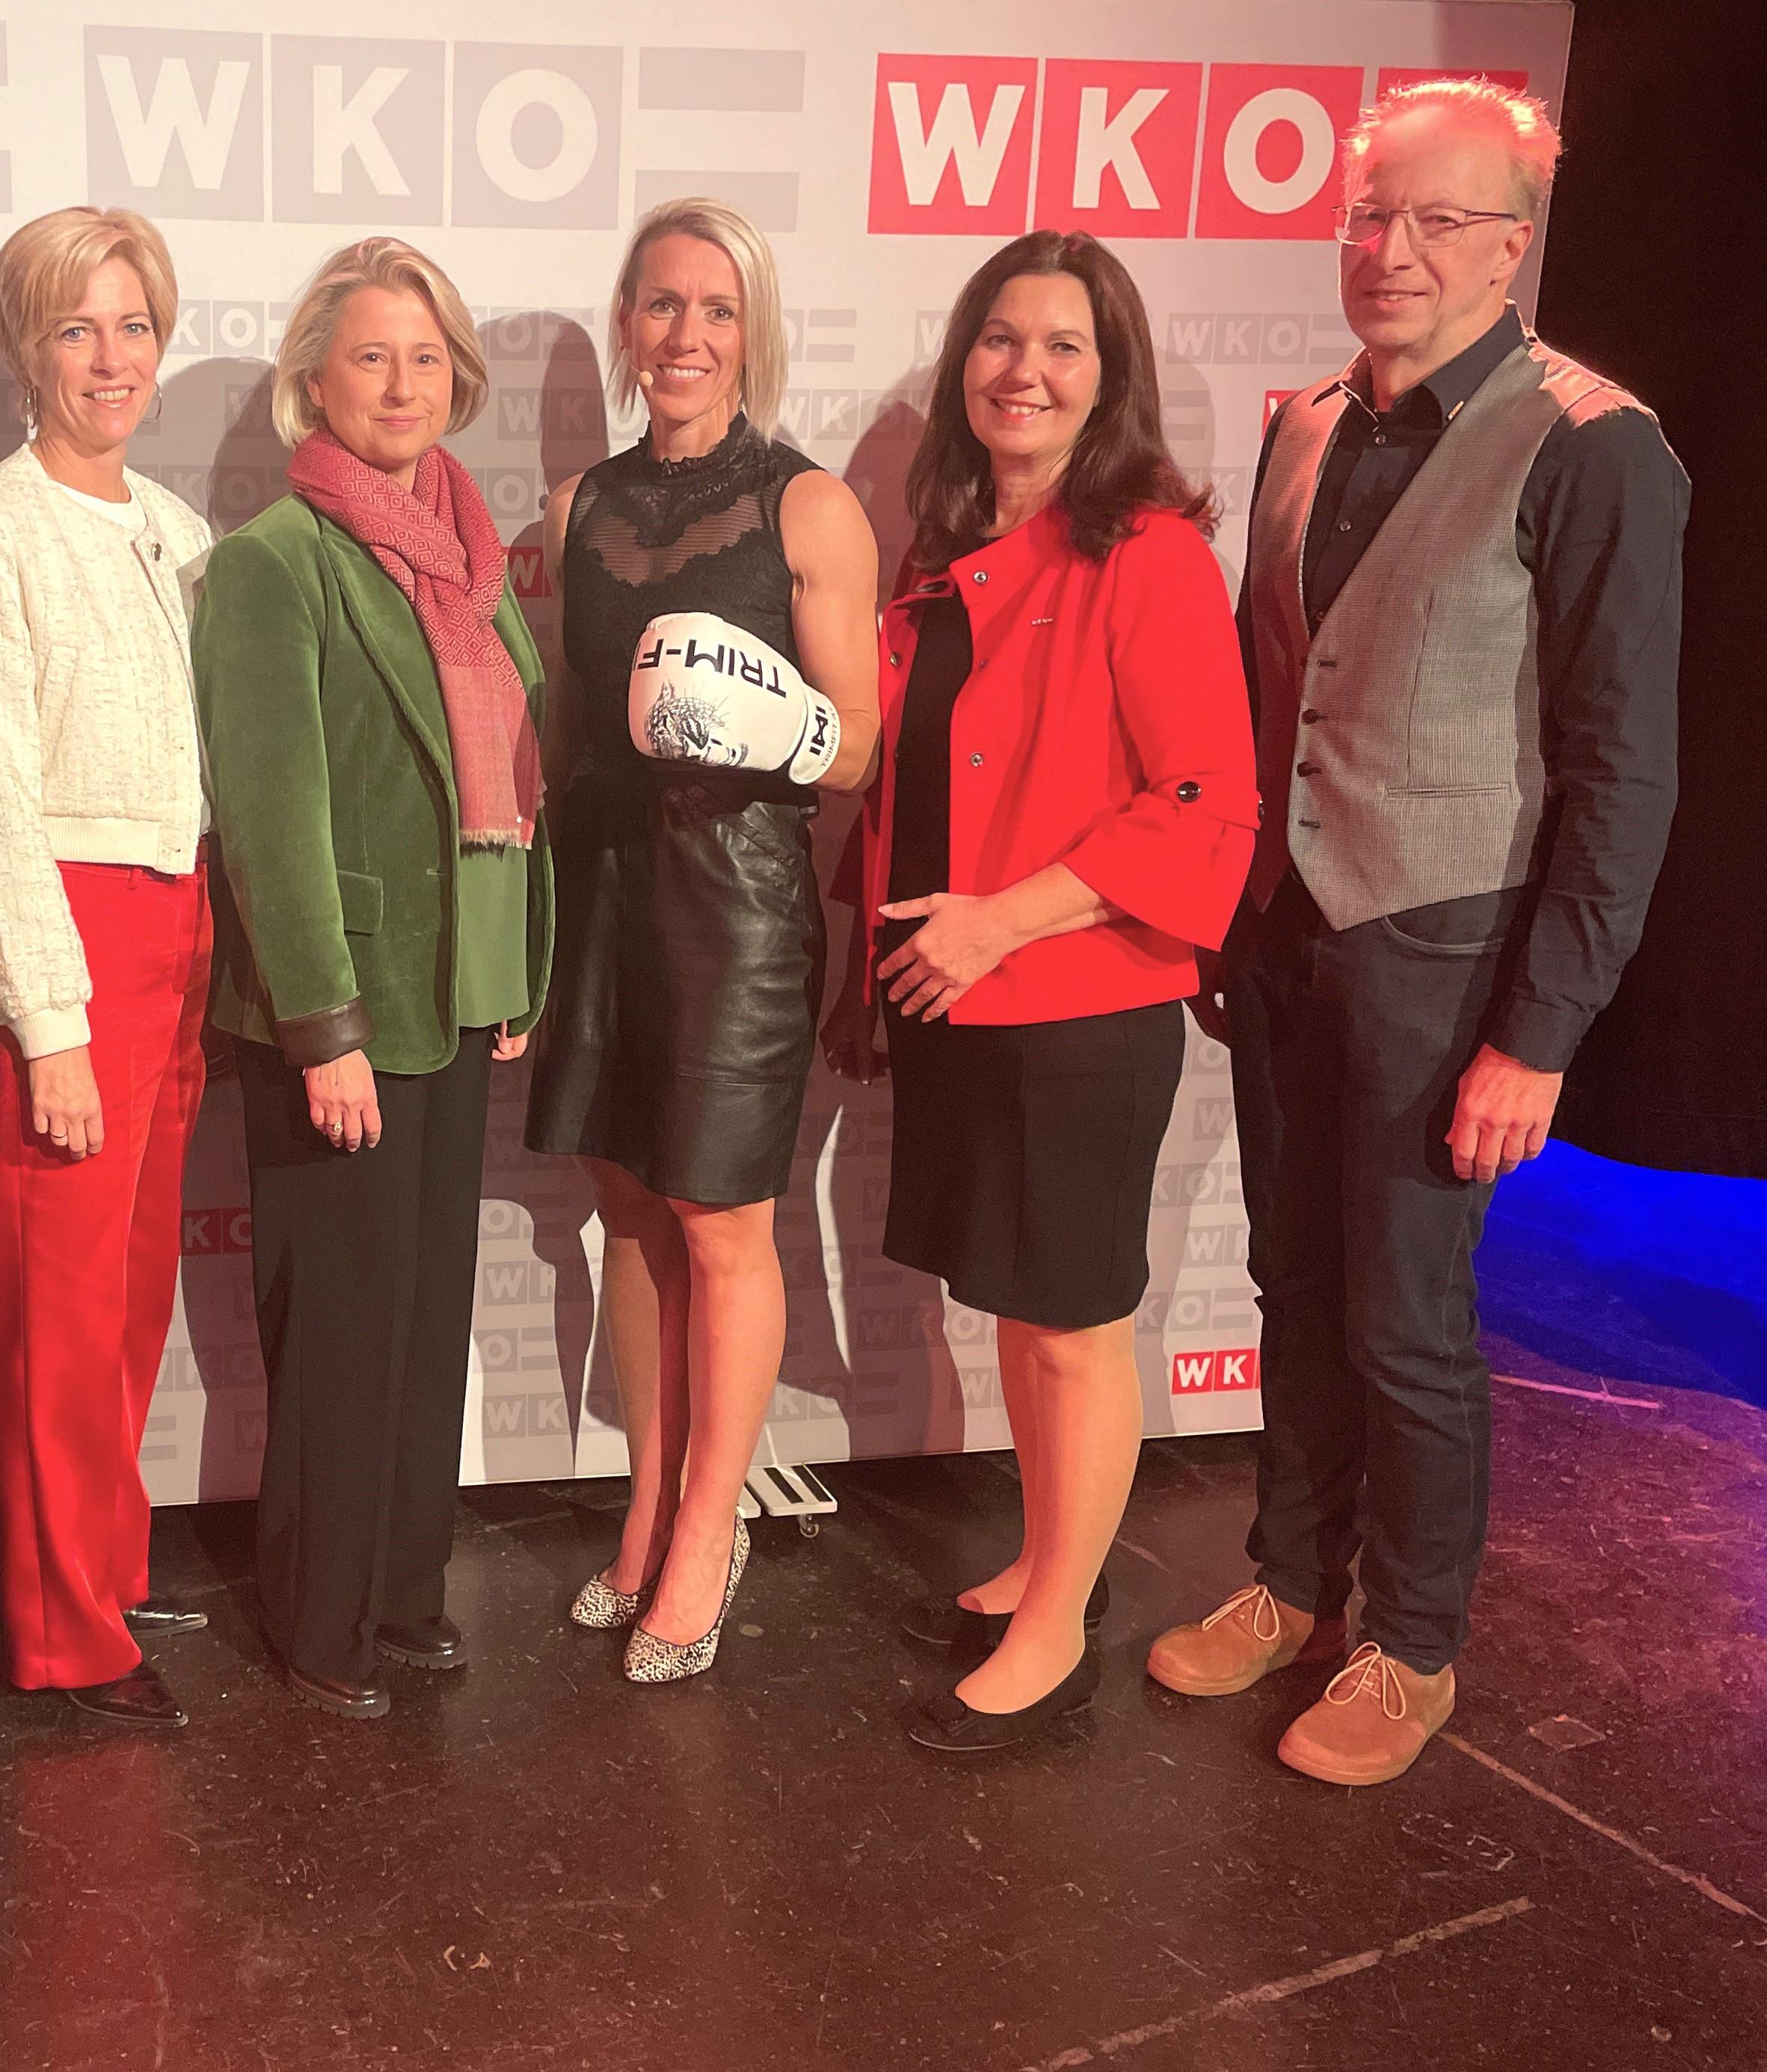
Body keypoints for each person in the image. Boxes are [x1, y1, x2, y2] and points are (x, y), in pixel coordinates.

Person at [1143, 80, 1688, 1785]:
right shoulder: (1307, 422)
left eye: (1440, 220)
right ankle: (1291, 1582)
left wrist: (1543, 1029)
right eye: (1371, 214)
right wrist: (1229, 921)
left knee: (1404, 1315)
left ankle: (1413, 1645)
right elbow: (1274, 690)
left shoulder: (1594, 444)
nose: (1393, 249)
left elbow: (1622, 769)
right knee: (1292, 1280)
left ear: (1512, 246)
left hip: (1444, 950)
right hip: (1283, 935)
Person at [821, 231, 1259, 1751]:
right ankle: (1046, 1559)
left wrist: (998, 923)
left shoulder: (1148, 552)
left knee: (1072, 1325)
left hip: (1075, 999)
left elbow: (1202, 802)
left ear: (1109, 375)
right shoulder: (945, 551)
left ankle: (1062, 1622)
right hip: (960, 992)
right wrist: (883, 963)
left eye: (1064, 345)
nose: (1025, 370)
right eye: (1001, 339)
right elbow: (912, 786)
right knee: (1020, 1308)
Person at [524, 198, 882, 1682]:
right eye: (662, 304)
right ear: (627, 322)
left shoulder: (810, 506)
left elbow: (859, 748)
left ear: (752, 332)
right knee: (628, 1212)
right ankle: (649, 1508)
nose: (686, 335)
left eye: (716, 309)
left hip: (736, 900)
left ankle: (709, 1531)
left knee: (723, 1221)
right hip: (605, 887)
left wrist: (769, 722)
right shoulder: (574, 510)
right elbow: (564, 728)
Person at [193, 237, 549, 1720]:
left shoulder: (473, 552)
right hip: (341, 1013)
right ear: (314, 382)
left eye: (424, 358)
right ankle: (319, 1621)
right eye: (369, 358)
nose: (401, 385)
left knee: (420, 1321)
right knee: (339, 1334)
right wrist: (320, 1026)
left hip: (456, 997)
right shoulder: (275, 563)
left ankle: (401, 1591)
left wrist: (512, 964)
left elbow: (508, 779)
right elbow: (271, 821)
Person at [0, 206, 216, 1729]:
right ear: (26, 350)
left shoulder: (176, 526)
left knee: (132, 1292)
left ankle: (106, 1563)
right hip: (68, 942)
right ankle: (61, 1632)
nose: (111, 358)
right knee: (53, 1305)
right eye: (75, 329)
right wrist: (47, 1019)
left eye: (133, 326)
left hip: (182, 928)